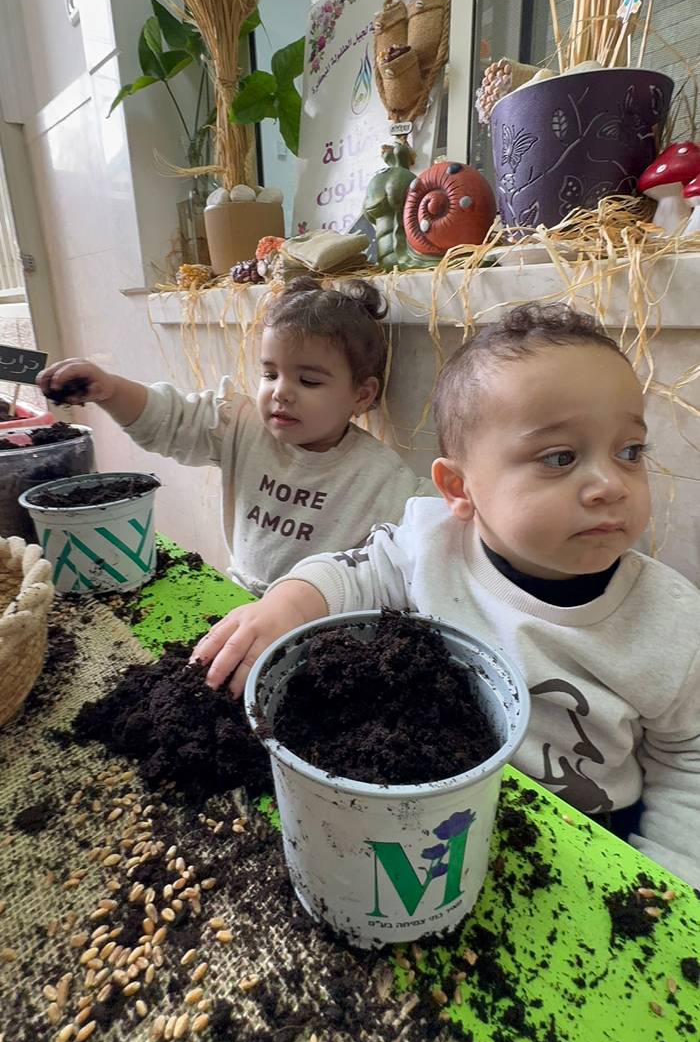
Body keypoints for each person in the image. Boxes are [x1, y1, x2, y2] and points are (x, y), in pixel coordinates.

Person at [196, 302, 700, 889]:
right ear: (460, 489)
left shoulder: (671, 621)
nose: (610, 485)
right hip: (435, 818)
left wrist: (670, 877)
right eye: (560, 457)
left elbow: (688, 758)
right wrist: (285, 605)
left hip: (590, 843)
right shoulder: (431, 547)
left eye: (630, 452)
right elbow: (352, 572)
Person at [37, 276, 435, 599]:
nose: (281, 392)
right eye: (269, 374)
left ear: (361, 395)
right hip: (238, 599)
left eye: (309, 380)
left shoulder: (379, 476)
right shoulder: (240, 424)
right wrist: (110, 390)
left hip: (320, 626)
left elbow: (428, 529)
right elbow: (170, 419)